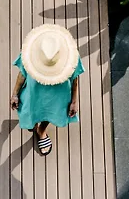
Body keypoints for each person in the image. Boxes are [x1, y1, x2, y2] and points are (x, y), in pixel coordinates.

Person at [10, 24, 84, 156]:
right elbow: (22, 73)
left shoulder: (72, 57)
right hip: (34, 93)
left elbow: (75, 79)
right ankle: (34, 125)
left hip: (58, 96)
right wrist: (15, 94)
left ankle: (41, 130)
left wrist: (74, 101)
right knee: (31, 110)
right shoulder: (29, 53)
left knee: (50, 113)